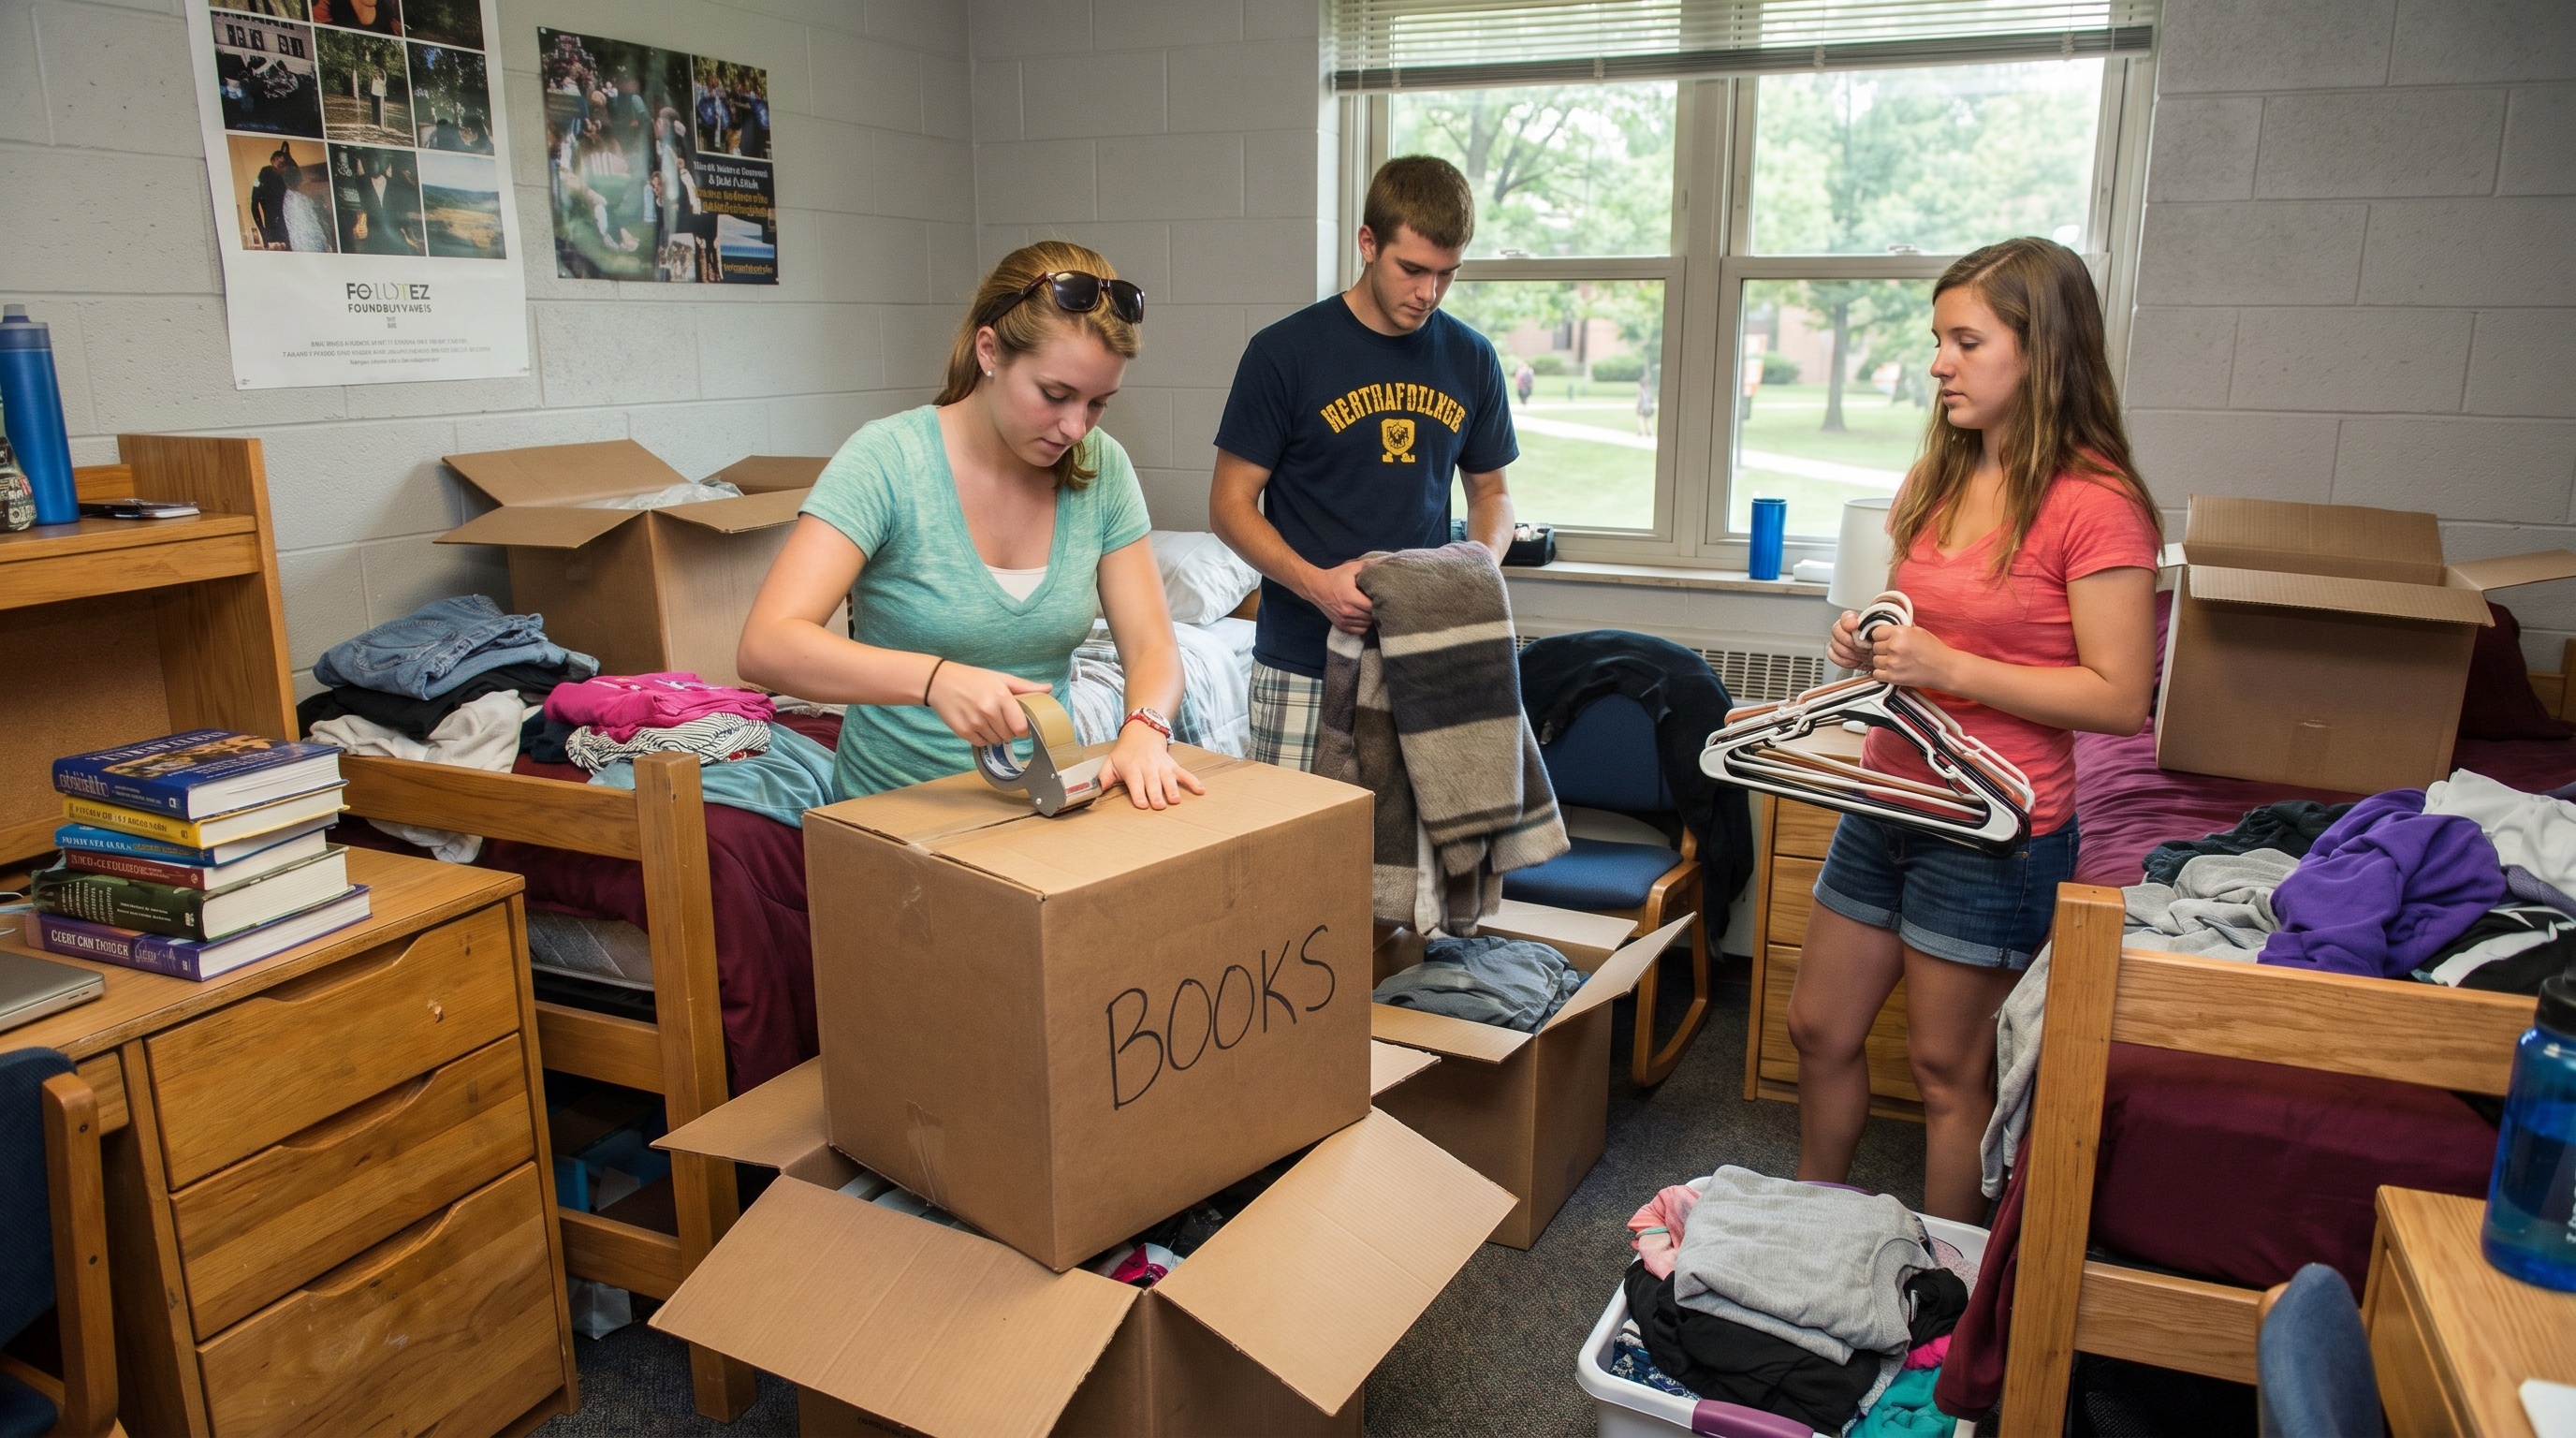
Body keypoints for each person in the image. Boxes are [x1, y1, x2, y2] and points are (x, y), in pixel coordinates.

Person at [1790, 237, 2160, 1223]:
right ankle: (1803, 1232)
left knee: (1946, 1071)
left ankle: (1943, 1296)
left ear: (2040, 351)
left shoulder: (2097, 506)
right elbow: (1924, 617)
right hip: (1889, 795)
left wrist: (1951, 669)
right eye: (1937, 340)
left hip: (1996, 823)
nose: (1938, 362)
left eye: (1965, 340)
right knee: (1818, 1030)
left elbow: (2120, 697)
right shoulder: (1938, 476)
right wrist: (1868, 633)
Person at [737, 242, 1202, 811]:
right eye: (1055, 395)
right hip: (894, 816)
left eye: (1098, 402)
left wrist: (1145, 729)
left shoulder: (1103, 469)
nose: (1076, 426)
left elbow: (1152, 643)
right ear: (989, 351)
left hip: (1042, 806)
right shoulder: (888, 460)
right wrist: (934, 681)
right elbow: (767, 645)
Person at [1208, 155, 1518, 770]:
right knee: (1296, 861)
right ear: (1368, 243)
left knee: (1415, 863)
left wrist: (1477, 567)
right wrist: (1317, 586)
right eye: (1413, 270)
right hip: (1302, 661)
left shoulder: (1472, 359)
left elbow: (1492, 496)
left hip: (1421, 659)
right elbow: (1228, 505)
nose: (1428, 293)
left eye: (1447, 274)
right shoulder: (1283, 354)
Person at [250, 150, 289, 248]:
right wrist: (263, 232)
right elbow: (254, 205)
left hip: (286, 227)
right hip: (274, 230)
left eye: (283, 162)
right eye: (279, 161)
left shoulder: (284, 178)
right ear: (273, 160)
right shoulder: (265, 173)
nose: (281, 164)